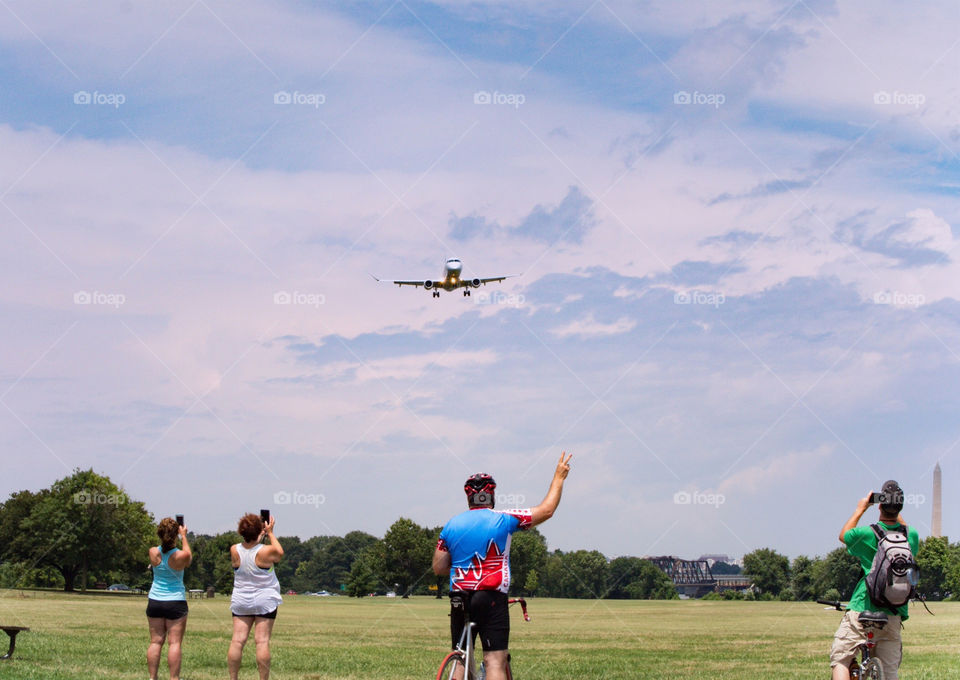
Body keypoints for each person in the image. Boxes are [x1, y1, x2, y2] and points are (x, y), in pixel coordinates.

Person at [432, 452, 572, 680]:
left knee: (461, 656)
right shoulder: (503, 519)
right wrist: (558, 478)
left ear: (468, 497)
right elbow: (547, 510)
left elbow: (438, 567)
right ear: (491, 495)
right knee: (494, 661)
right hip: (491, 597)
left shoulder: (451, 525)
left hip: (459, 596)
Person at [830, 480, 919, 680]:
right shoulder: (911, 535)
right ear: (900, 507)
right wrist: (895, 511)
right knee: (889, 673)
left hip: (862, 607)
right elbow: (902, 528)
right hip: (894, 613)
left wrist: (861, 509)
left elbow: (844, 535)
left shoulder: (867, 534)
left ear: (879, 505)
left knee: (841, 660)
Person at [228, 512, 284, 680]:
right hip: (264, 601)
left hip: (240, 601)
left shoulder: (234, 549)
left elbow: (249, 549)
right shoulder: (265, 552)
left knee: (237, 641)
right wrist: (271, 532)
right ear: (260, 530)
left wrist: (258, 535)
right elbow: (279, 553)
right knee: (261, 642)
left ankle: (233, 678)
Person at [146, 517, 192, 680]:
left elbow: (161, 552)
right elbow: (189, 557)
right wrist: (184, 536)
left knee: (156, 642)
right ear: (175, 535)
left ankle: (153, 677)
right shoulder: (180, 556)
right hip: (175, 602)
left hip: (155, 601)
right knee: (174, 643)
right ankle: (174, 678)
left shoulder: (153, 552)